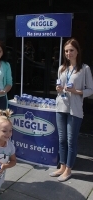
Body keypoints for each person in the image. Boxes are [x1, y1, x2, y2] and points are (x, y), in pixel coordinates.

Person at [49, 38, 93, 182]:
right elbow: (59, 85)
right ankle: (62, 166)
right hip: (61, 106)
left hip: (75, 109)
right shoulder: (62, 68)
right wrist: (58, 89)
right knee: (61, 139)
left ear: (77, 51)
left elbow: (90, 90)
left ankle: (68, 169)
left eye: (71, 50)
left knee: (71, 140)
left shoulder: (84, 68)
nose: (69, 53)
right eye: (66, 51)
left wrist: (76, 91)